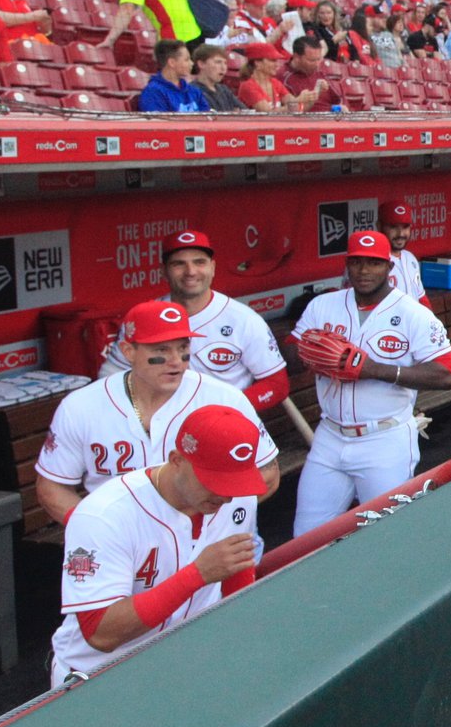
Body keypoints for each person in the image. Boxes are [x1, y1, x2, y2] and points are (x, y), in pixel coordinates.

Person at [47, 404, 265, 689]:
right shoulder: (103, 516)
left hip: (187, 668)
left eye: (233, 481)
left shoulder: (237, 499)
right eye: (214, 480)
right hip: (101, 680)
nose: (225, 496)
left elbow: (237, 572)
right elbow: (101, 633)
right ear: (176, 460)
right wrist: (197, 574)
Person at [35, 300, 281, 527]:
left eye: (182, 347)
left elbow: (267, 474)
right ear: (128, 351)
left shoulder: (225, 398)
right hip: (120, 543)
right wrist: (96, 529)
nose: (175, 361)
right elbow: (52, 487)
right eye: (161, 350)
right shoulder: (81, 406)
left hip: (209, 537)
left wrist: (192, 524)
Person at [288, 231, 451, 538]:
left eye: (374, 263)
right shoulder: (321, 306)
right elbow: (292, 351)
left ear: (389, 267)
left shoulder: (413, 314)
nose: (365, 270)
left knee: (386, 536)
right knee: (305, 537)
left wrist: (375, 369)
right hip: (329, 436)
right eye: (357, 262)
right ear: (347, 265)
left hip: (385, 438)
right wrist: (312, 351)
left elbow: (446, 375)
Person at [98, 230, 290, 409]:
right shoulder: (143, 317)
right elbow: (111, 376)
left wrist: (230, 411)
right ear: (163, 271)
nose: (190, 271)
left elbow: (276, 384)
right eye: (179, 264)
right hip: (159, 424)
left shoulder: (243, 319)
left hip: (224, 426)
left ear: (212, 268)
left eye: (199, 262)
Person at [138, 38, 210, 112]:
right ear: (172, 62)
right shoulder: (153, 93)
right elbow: (158, 122)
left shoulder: (193, 91)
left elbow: (208, 118)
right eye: (187, 59)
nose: (192, 63)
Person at [376, 201, 428, 301]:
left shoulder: (410, 258)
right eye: (393, 227)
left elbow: (421, 297)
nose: (400, 233)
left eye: (405, 227)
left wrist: (431, 317)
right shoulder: (371, 263)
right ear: (379, 226)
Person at [236, 42, 300, 111]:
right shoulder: (248, 86)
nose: (277, 65)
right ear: (257, 63)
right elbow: (267, 114)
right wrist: (299, 100)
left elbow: (297, 107)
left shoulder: (275, 83)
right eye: (272, 60)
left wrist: (305, 99)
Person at [191, 43, 246, 111]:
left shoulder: (224, 90)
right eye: (218, 62)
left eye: (225, 63)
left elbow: (244, 112)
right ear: (201, 64)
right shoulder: (192, 91)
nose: (223, 68)